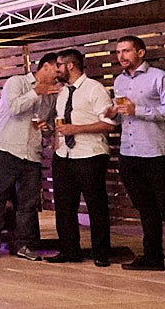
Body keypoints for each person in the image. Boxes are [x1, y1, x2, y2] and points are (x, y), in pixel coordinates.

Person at [111, 35, 165, 277]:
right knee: (145, 208)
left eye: (126, 51)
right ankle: (152, 256)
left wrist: (140, 110)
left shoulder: (159, 77)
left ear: (141, 52)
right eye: (118, 52)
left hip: (158, 152)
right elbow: (122, 115)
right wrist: (112, 113)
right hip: (129, 152)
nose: (121, 56)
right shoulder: (118, 82)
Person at [0, 53, 60, 258]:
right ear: (46, 66)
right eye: (57, 68)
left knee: (28, 203)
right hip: (6, 148)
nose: (59, 74)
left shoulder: (52, 95)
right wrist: (35, 92)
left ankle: (26, 246)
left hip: (31, 153)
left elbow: (49, 124)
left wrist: (47, 128)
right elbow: (14, 108)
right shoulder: (17, 82)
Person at [48, 49, 115, 265]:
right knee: (64, 206)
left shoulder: (94, 89)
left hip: (90, 154)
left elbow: (108, 123)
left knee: (96, 205)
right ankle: (69, 250)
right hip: (64, 155)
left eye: (58, 65)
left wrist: (76, 129)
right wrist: (55, 140)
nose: (55, 70)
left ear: (70, 66)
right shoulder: (63, 93)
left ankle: (101, 253)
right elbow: (61, 122)